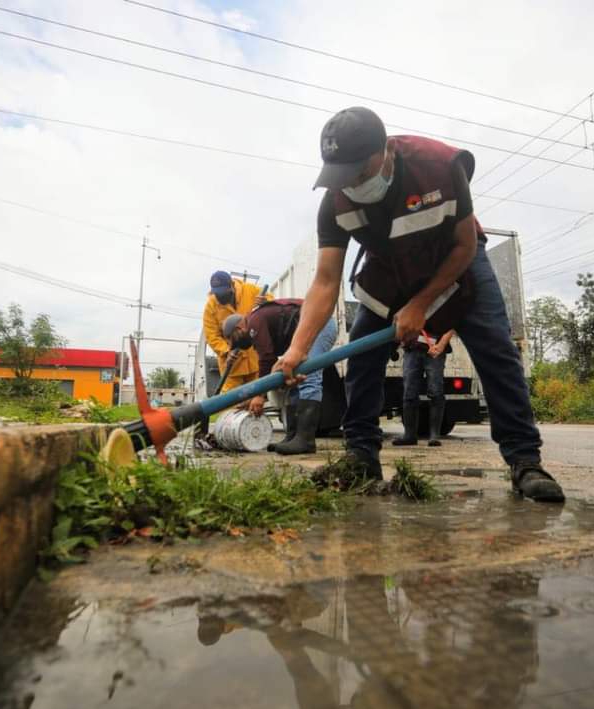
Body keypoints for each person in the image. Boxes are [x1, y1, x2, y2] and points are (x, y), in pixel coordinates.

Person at [275, 106, 564, 502]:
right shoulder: (335, 204)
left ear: (389, 151)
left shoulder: (439, 167)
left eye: (361, 172)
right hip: (390, 268)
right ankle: (361, 455)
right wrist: (297, 348)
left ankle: (525, 460)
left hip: (456, 261)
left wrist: (421, 304)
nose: (353, 185)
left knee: (496, 350)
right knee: (363, 359)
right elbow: (325, 282)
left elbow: (464, 246)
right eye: (343, 177)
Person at [221, 298, 338, 455]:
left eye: (233, 339)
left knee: (309, 377)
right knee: (291, 383)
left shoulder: (254, 322)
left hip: (320, 325)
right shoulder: (256, 323)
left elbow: (267, 359)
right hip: (307, 331)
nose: (236, 346)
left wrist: (259, 395)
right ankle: (292, 438)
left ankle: (306, 440)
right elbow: (270, 364)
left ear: (239, 327)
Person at [202, 271, 269, 393]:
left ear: (231, 286)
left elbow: (271, 301)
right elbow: (212, 336)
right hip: (232, 366)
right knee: (231, 405)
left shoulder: (250, 290)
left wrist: (266, 303)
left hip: (256, 360)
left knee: (258, 400)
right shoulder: (211, 306)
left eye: (223, 293)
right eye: (217, 293)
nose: (220, 297)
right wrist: (227, 351)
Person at [393, 329, 455, 448]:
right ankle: (409, 436)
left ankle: (434, 436)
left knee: (436, 391)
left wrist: (441, 345)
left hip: (435, 349)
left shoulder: (442, 310)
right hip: (412, 349)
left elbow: (452, 326)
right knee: (409, 392)